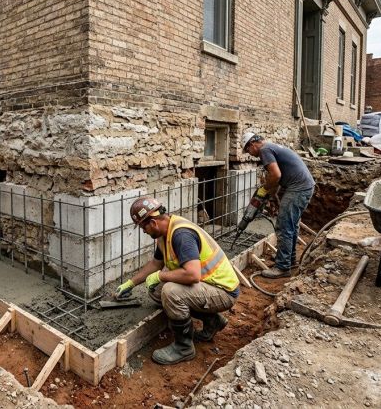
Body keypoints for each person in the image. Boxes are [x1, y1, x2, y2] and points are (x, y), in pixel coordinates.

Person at [114, 197, 241, 365]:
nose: (144, 231)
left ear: (153, 222)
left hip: (224, 292)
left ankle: (184, 347)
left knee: (171, 292)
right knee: (157, 290)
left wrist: (160, 276)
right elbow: (156, 263)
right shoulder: (164, 233)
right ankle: (213, 321)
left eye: (143, 227)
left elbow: (193, 275)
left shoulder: (181, 235)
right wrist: (130, 283)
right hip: (208, 286)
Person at [242, 131, 315, 278]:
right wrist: (272, 194)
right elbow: (278, 177)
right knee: (292, 225)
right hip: (304, 186)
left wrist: (264, 189)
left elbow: (275, 175)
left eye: (247, 150)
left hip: (298, 188)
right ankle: (289, 259)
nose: (249, 154)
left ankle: (282, 267)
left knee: (284, 225)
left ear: (253, 144)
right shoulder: (272, 147)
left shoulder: (264, 150)